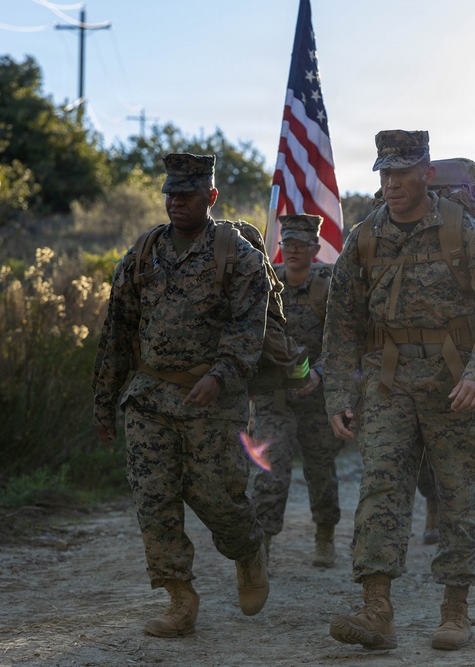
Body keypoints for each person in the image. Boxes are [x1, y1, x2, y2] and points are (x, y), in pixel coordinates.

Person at [322, 130, 475, 651]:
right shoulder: (365, 237)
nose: (391, 184)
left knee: (457, 492)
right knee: (381, 486)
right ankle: (376, 610)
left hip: (454, 383)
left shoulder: (464, 233)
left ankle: (455, 610)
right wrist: (338, 392)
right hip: (388, 383)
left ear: (427, 175)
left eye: (402, 174)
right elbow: (340, 323)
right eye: (384, 174)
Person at [92, 153, 271, 637]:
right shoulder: (144, 252)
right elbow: (118, 330)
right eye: (171, 193)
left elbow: (247, 330)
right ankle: (179, 597)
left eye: (188, 195)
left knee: (217, 497)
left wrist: (219, 374)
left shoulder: (239, 257)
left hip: (212, 401)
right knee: (154, 498)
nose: (176, 202)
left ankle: (247, 549)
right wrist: (104, 401)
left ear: (210, 197)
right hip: (149, 398)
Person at [251, 214, 342, 568]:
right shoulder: (265, 284)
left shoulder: (326, 285)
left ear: (315, 249)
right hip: (274, 396)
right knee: (271, 469)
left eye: (301, 245)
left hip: (316, 397)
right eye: (287, 244)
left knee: (321, 470)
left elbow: (342, 338)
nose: (293, 251)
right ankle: (263, 544)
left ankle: (325, 535)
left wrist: (319, 373)